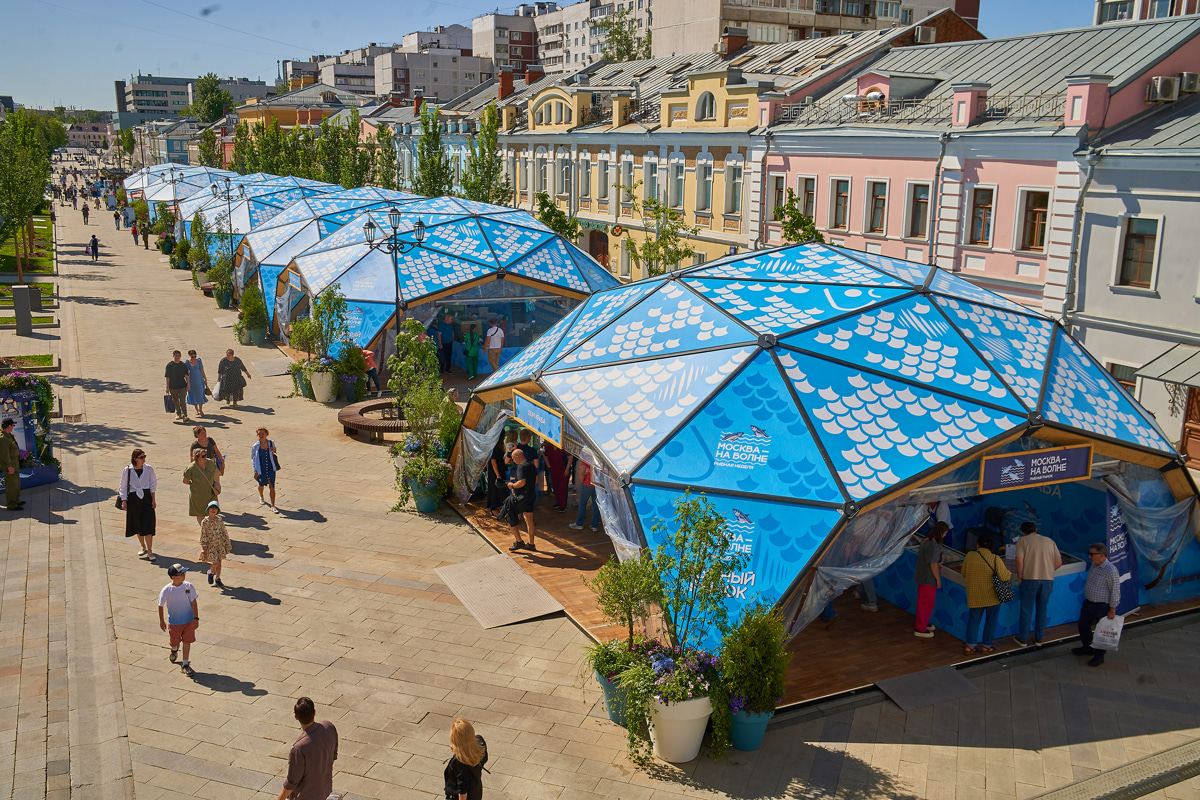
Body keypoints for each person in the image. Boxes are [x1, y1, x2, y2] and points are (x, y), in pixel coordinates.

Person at [277, 697, 337, 800]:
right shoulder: (329, 727)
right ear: (314, 712)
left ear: (296, 717)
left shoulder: (299, 749)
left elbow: (291, 782)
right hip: (325, 792)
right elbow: (332, 759)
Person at [1013, 521, 1062, 647]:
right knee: (1042, 610)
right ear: (1035, 530)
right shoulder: (1050, 541)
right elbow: (1058, 562)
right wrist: (1048, 571)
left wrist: (1020, 577)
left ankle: (1023, 639)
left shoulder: (1022, 541)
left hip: (1029, 580)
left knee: (1026, 610)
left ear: (1023, 532)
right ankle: (1039, 638)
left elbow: (1019, 561)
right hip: (1047, 581)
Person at [1073, 543, 1121, 667]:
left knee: (1102, 632)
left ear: (1101, 555)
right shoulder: (1094, 566)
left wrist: (1112, 610)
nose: (1089, 556)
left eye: (1092, 554)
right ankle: (1088, 647)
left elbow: (1115, 592)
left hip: (1102, 606)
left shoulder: (1111, 571)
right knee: (1083, 626)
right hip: (1089, 603)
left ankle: (1099, 656)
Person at [962, 534, 1010, 654]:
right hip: (993, 597)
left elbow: (964, 573)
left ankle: (970, 646)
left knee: (973, 621)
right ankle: (986, 646)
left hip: (975, 595)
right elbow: (1004, 577)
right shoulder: (995, 558)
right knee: (991, 621)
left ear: (978, 545)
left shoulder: (970, 556)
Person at [157, 564, 198, 677]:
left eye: (184, 573)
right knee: (174, 642)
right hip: (174, 622)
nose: (184, 575)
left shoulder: (188, 586)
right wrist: (161, 621)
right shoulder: (167, 590)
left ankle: (185, 664)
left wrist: (196, 618)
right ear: (173, 577)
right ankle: (174, 649)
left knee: (187, 641)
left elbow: (194, 602)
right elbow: (160, 605)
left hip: (189, 621)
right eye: (181, 574)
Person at [119, 449, 157, 561]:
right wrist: (124, 500)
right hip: (133, 499)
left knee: (148, 524)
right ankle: (143, 546)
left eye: (144, 456)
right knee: (137, 524)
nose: (144, 459)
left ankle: (150, 550)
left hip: (146, 497)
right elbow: (122, 486)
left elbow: (153, 484)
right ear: (135, 458)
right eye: (141, 457)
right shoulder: (127, 470)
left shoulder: (148, 468)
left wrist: (153, 499)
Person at [913, 521, 947, 638]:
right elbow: (933, 564)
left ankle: (924, 622)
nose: (945, 535)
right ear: (941, 532)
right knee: (926, 603)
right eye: (945, 533)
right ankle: (920, 628)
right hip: (928, 579)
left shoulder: (927, 540)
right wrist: (938, 579)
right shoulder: (933, 545)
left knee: (925, 602)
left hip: (922, 577)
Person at [444, 717, 488, 800]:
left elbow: (462, 788)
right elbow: (484, 759)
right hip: (476, 792)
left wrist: (457, 751)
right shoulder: (480, 742)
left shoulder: (459, 761)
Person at [505, 448, 537, 552]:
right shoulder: (531, 465)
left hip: (522, 497)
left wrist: (512, 485)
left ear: (518, 457)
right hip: (531, 496)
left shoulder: (521, 467)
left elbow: (522, 482)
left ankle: (519, 541)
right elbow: (536, 480)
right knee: (529, 520)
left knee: (509, 516)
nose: (513, 461)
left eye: (513, 458)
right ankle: (531, 544)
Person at [182, 450, 220, 528]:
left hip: (210, 493)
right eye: (203, 456)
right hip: (198, 495)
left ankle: (212, 529)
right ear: (197, 457)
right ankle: (205, 529)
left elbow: (216, 472)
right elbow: (185, 480)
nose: (205, 457)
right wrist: (195, 484)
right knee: (200, 514)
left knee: (213, 511)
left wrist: (217, 484)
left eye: (205, 455)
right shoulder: (191, 468)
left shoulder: (210, 463)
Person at [199, 501, 231, 588]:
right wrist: (203, 547)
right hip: (211, 545)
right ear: (208, 509)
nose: (213, 510)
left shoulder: (219, 520)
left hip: (220, 544)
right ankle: (211, 571)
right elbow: (203, 535)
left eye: (215, 508)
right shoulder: (204, 522)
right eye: (212, 508)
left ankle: (218, 578)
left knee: (219, 561)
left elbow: (224, 531)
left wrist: (226, 542)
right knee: (215, 562)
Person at [251, 427, 278, 511]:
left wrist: (273, 449)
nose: (261, 435)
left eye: (262, 434)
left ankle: (273, 505)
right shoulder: (255, 446)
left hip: (270, 468)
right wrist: (255, 471)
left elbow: (275, 450)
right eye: (259, 434)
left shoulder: (270, 443)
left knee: (272, 486)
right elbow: (253, 459)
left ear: (266, 434)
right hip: (261, 468)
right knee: (261, 484)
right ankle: (261, 496)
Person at [569, 460, 600, 532]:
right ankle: (594, 525)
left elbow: (582, 472)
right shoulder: (600, 459)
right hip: (598, 484)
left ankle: (579, 524)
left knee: (582, 503)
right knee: (596, 504)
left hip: (587, 483)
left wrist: (582, 482)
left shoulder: (586, 459)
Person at [0, 419, 22, 512]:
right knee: (11, 485)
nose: (13, 427)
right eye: (13, 425)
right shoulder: (3, 439)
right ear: (9, 426)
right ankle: (12, 504)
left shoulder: (8, 435)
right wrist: (9, 466)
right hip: (10, 465)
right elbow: (4, 454)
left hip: (14, 463)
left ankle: (16, 500)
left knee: (16, 483)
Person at [541, 439, 567, 513]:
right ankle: (558, 503)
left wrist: (567, 469)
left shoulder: (563, 447)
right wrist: (549, 466)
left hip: (563, 471)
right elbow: (545, 455)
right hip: (553, 470)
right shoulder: (549, 446)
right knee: (555, 487)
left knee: (562, 488)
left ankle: (563, 506)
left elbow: (570, 457)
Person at [165, 350, 190, 422]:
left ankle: (185, 415)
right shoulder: (169, 365)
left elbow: (187, 376)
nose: (177, 357)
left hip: (182, 386)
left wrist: (188, 384)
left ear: (180, 356)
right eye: (175, 356)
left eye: (178, 356)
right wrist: (167, 387)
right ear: (173, 356)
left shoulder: (183, 365)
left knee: (182, 401)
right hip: (173, 387)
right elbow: (167, 377)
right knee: (175, 401)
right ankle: (178, 413)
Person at [486, 432, 507, 517]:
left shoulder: (498, 446)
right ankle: (494, 509)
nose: (505, 437)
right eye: (504, 435)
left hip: (499, 470)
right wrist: (498, 475)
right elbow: (493, 462)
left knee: (499, 490)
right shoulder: (495, 447)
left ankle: (496, 507)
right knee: (494, 490)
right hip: (495, 472)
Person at [185, 350, 208, 417]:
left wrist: (205, 379)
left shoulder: (199, 361)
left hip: (199, 379)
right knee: (194, 394)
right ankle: (196, 409)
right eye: (192, 356)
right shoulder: (187, 362)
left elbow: (202, 370)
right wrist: (187, 381)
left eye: (194, 356)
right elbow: (186, 372)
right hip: (192, 380)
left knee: (200, 394)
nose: (193, 357)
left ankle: (200, 409)